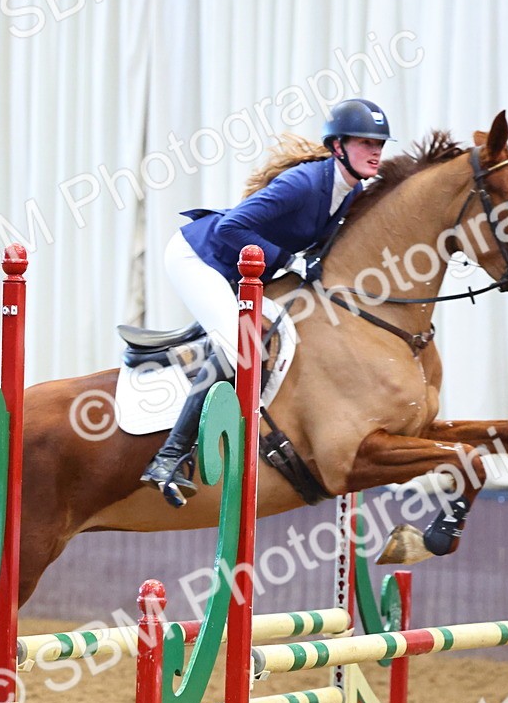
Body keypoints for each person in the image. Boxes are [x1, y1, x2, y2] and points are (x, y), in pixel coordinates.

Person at [141, 98, 393, 506]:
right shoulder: (306, 183)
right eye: (366, 142)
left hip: (240, 267)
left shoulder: (350, 191)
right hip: (199, 256)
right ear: (338, 147)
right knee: (240, 346)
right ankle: (168, 458)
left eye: (380, 142)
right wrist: (290, 260)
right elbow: (230, 227)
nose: (376, 150)